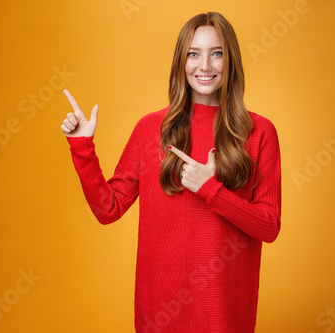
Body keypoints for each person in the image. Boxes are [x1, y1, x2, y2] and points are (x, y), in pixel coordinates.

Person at [60, 12, 281, 333]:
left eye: (216, 53)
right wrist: (82, 147)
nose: (204, 65)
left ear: (231, 60)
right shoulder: (151, 130)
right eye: (194, 54)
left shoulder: (259, 132)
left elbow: (269, 226)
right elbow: (107, 209)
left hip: (223, 317)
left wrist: (211, 190)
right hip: (159, 316)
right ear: (181, 62)